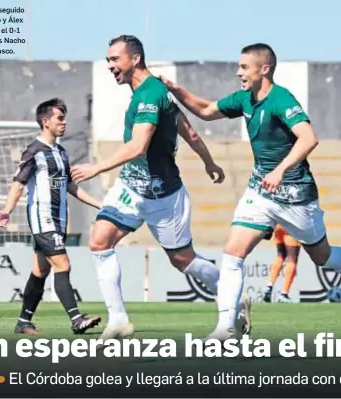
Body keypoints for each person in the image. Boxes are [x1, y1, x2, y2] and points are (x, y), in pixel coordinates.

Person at [158, 43, 341, 340]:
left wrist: (280, 170)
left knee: (322, 256)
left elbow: (308, 138)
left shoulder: (281, 99)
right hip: (260, 192)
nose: (239, 72)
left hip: (296, 195)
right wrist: (175, 89)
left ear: (263, 69)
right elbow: (205, 109)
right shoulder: (243, 99)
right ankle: (226, 327)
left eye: (244, 67)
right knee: (232, 254)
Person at [69, 35, 251, 341]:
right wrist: (209, 162)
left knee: (183, 260)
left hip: (164, 196)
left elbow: (139, 146)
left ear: (135, 58)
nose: (110, 66)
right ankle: (118, 321)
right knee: (100, 241)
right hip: (130, 187)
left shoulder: (149, 96)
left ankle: (232, 291)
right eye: (108, 60)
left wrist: (97, 167)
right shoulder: (154, 91)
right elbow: (190, 131)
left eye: (115, 59)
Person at [0, 98, 102, 336]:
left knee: (40, 271)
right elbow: (18, 184)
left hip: (59, 219)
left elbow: (70, 186)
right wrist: (7, 211)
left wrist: (100, 205)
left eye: (64, 117)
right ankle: (76, 319)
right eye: (59, 118)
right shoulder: (34, 151)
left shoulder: (61, 152)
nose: (64, 122)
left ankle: (23, 322)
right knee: (63, 264)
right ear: (46, 122)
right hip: (43, 219)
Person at [263, 225, 300, 303]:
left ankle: (269, 286)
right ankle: (284, 294)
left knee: (280, 255)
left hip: (278, 225)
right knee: (292, 259)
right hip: (290, 225)